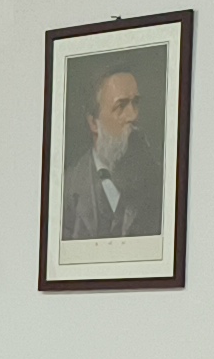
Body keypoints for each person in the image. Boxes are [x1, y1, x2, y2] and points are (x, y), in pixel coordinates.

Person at [57, 62, 161, 241]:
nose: (134, 115)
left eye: (135, 103)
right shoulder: (66, 190)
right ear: (93, 123)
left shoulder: (158, 180)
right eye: (121, 106)